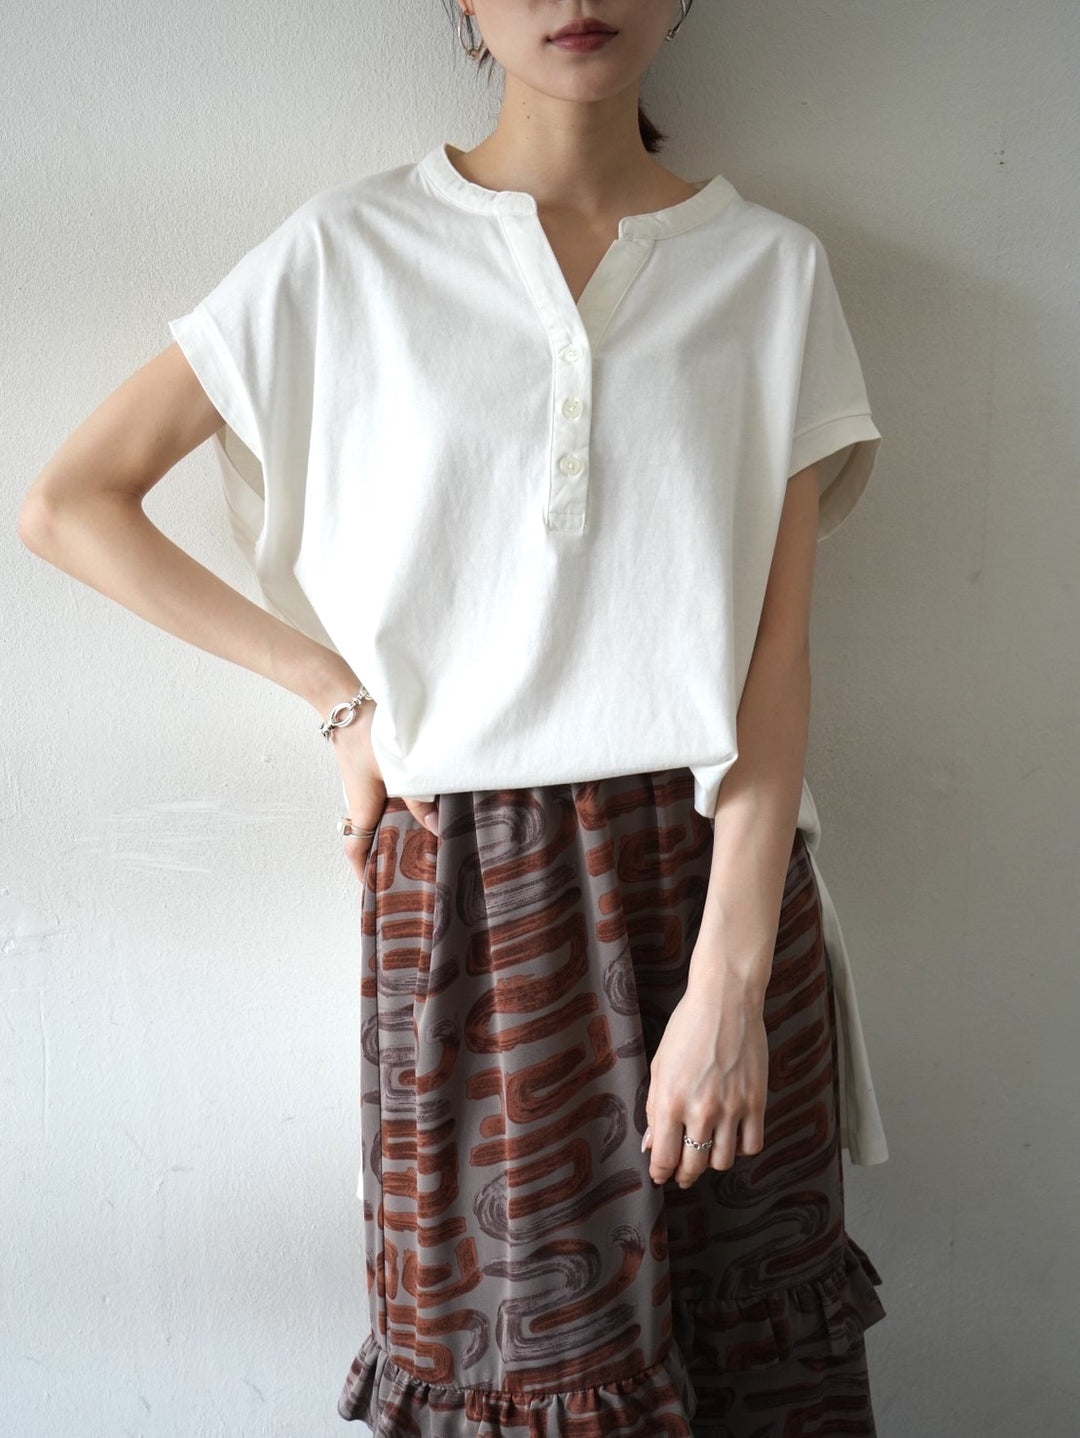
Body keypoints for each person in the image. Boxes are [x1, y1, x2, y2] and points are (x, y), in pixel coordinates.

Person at [17, 1, 891, 1431]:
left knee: (753, 1369)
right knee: (515, 1371)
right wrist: (337, 697)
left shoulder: (770, 270)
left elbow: (776, 654)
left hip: (721, 882)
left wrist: (731, 986)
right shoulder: (346, 252)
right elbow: (71, 504)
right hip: (477, 906)